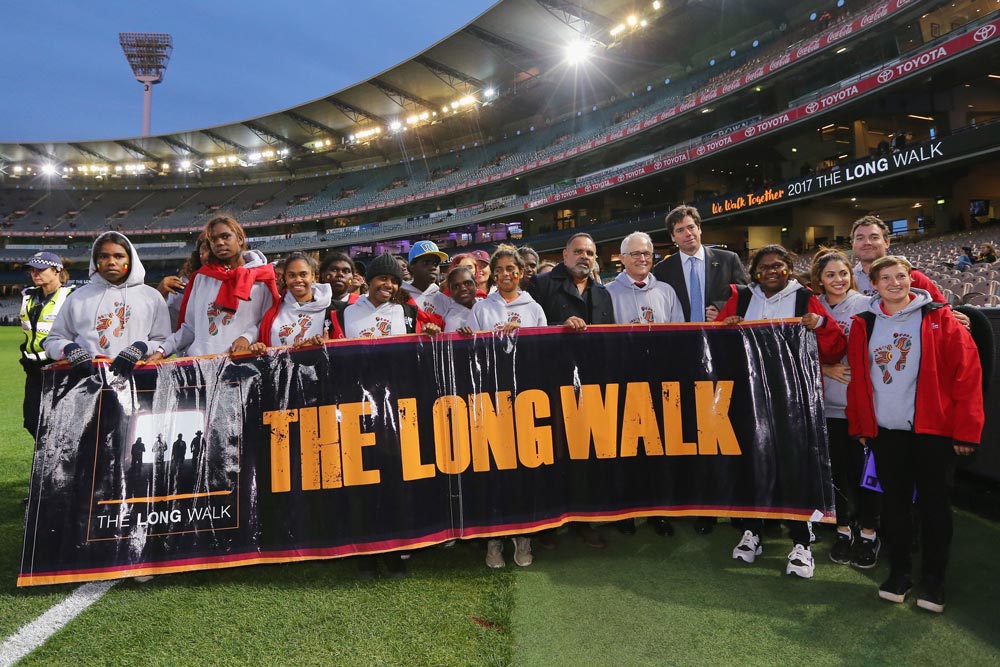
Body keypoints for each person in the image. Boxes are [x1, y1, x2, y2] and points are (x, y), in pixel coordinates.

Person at [846, 256, 983, 613]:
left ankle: (934, 581)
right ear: (873, 284)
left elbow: (967, 374)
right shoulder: (864, 323)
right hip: (887, 432)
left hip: (933, 432)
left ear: (912, 278)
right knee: (893, 506)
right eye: (886, 278)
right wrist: (862, 425)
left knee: (935, 507)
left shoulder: (939, 317)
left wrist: (966, 430)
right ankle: (900, 573)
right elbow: (860, 379)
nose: (895, 283)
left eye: (901, 276)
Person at [718, 244, 847, 579]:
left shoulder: (805, 298)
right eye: (763, 267)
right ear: (754, 272)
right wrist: (725, 327)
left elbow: (834, 347)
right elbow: (714, 344)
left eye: (779, 265)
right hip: (749, 396)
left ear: (790, 267)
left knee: (796, 466)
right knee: (752, 462)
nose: (772, 271)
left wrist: (820, 324)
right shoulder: (743, 299)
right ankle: (753, 531)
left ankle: (801, 541)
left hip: (796, 399)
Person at [652, 204, 749, 535]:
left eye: (691, 227)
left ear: (700, 229)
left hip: (721, 356)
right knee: (689, 433)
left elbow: (747, 295)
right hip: (681, 358)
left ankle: (726, 505)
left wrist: (721, 309)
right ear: (673, 237)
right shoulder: (663, 271)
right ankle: (695, 503)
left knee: (724, 429)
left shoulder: (729, 260)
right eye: (680, 230)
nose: (687, 233)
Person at [458, 245, 546, 569]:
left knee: (524, 469)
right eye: (500, 271)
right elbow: (468, 353)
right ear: (492, 275)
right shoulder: (482, 308)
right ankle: (493, 540)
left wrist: (520, 336)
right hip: (490, 400)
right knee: (493, 470)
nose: (506, 275)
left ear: (520, 272)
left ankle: (523, 536)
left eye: (512, 269)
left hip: (525, 399)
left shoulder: (534, 308)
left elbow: (541, 353)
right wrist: (467, 336)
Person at [527, 232, 614, 548]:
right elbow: (526, 328)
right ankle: (548, 524)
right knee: (552, 455)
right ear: (564, 256)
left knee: (587, 455)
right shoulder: (541, 285)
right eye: (578, 252)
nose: (585, 258)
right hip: (549, 386)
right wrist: (559, 328)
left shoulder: (603, 294)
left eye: (590, 253)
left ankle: (584, 520)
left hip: (590, 388)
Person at [606, 231, 683, 537]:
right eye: (635, 254)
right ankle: (625, 510)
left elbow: (679, 337)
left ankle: (657, 511)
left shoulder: (666, 291)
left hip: (659, 382)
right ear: (622, 258)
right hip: (623, 383)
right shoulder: (607, 292)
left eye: (646, 254)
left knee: (659, 450)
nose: (641, 259)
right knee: (625, 449)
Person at [811, 248, 881, 569]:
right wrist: (826, 369)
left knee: (863, 478)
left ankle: (869, 534)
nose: (838, 280)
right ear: (820, 281)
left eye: (842, 273)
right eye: (830, 275)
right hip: (826, 408)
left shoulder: (866, 305)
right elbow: (799, 353)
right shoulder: (814, 309)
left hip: (860, 408)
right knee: (836, 475)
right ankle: (842, 531)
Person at [148, 216, 279, 360]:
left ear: (240, 239)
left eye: (225, 236)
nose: (219, 243)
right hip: (201, 364)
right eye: (213, 239)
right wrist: (162, 351)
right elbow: (189, 328)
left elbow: (268, 322)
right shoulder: (201, 278)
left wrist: (247, 337)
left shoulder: (261, 278)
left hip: (242, 365)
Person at [44, 232, 171, 379]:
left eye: (119, 256)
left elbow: (163, 342)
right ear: (95, 261)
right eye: (103, 256)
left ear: (131, 260)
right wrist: (69, 348)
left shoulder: (152, 297)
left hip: (137, 380)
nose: (111, 262)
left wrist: (142, 347)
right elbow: (52, 342)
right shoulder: (77, 298)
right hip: (87, 382)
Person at [19, 252, 74, 437]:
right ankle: (47, 457)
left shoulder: (71, 296)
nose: (35, 273)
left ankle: (54, 460)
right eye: (32, 270)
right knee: (32, 420)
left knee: (59, 420)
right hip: (33, 368)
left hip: (60, 368)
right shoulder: (28, 296)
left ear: (57, 270)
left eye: (41, 269)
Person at [338, 253, 442, 339]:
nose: (389, 285)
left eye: (394, 281)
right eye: (383, 278)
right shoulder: (344, 313)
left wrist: (427, 334)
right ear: (369, 280)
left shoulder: (409, 313)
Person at [253, 252, 332, 350]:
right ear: (285, 278)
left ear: (314, 277)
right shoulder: (273, 313)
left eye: (303, 274)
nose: (298, 279)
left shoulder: (332, 310)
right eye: (292, 275)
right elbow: (264, 348)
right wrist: (258, 347)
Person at [159, 236, 210, 329]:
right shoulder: (184, 283)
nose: (206, 255)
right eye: (203, 251)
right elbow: (170, 324)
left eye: (211, 249)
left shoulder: (240, 277)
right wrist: (158, 295)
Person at [402, 241, 451, 317]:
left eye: (436, 263)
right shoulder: (399, 296)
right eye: (426, 262)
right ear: (412, 266)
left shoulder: (444, 300)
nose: (433, 267)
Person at [441, 266, 479, 332]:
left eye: (467, 283)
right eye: (456, 286)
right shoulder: (452, 321)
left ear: (476, 284)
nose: (463, 288)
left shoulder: (487, 306)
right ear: (450, 291)